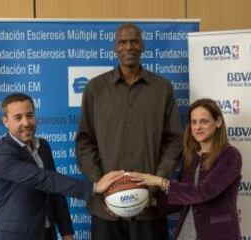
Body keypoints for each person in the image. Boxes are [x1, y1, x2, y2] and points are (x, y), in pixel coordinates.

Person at [75, 23, 183, 240]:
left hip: (149, 207)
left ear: (142, 46)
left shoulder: (162, 88)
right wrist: (102, 184)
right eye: (122, 42)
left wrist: (155, 182)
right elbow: (84, 142)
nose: (128, 47)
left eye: (134, 41)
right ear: (115, 48)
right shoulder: (95, 88)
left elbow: (174, 141)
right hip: (106, 208)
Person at [0, 93, 124, 240]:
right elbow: (44, 179)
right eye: (18, 118)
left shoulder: (43, 146)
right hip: (15, 236)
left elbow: (55, 192)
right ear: (5, 121)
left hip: (47, 233)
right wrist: (94, 187)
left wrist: (66, 231)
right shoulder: (1, 155)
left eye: (30, 115)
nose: (26, 122)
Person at [130, 98, 242, 240]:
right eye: (194, 122)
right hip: (186, 234)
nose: (198, 127)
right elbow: (182, 199)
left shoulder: (230, 156)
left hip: (218, 234)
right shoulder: (192, 158)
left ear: (218, 122)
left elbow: (203, 192)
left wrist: (160, 181)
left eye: (204, 121)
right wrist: (144, 202)